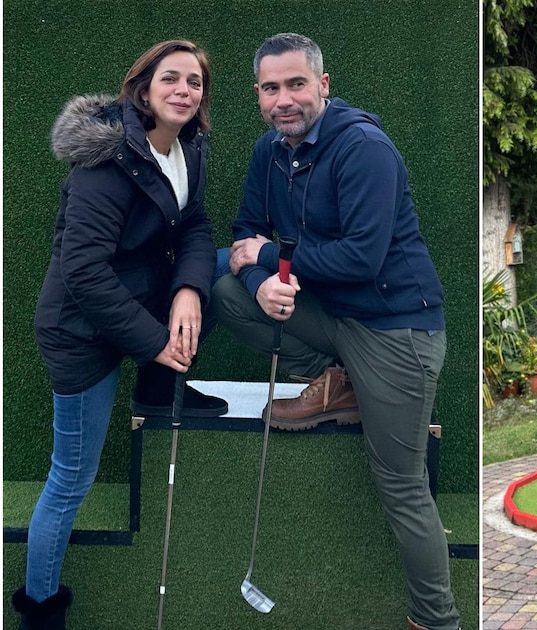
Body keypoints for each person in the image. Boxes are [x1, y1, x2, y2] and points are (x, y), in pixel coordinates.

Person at [212, 33, 459, 630]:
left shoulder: (363, 147)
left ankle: (438, 619)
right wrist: (261, 285)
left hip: (397, 332)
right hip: (335, 320)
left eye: (297, 84)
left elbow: (360, 260)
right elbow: (245, 232)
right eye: (271, 89)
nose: (284, 100)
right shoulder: (268, 151)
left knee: (400, 484)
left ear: (323, 84)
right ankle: (334, 380)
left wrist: (267, 256)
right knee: (225, 288)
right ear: (258, 95)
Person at [13, 39, 226, 629]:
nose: (185, 90)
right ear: (143, 88)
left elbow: (197, 227)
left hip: (142, 294)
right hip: (81, 331)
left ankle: (158, 389)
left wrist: (187, 290)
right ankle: (38, 608)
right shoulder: (105, 164)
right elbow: (82, 272)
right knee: (71, 477)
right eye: (172, 79)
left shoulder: (189, 149)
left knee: (227, 269)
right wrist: (157, 342)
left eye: (195, 82)